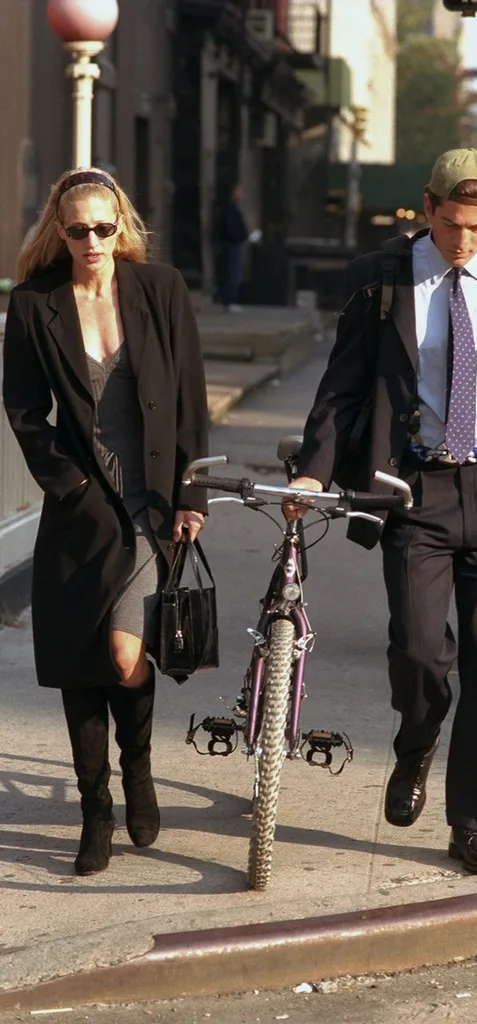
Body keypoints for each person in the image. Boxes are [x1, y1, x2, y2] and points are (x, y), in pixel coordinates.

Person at [285, 149, 477, 874]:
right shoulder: (383, 277)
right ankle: (417, 742)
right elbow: (343, 383)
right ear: (426, 207)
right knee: (418, 651)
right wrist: (314, 472)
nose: (463, 242)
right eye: (451, 226)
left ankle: (472, 823)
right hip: (413, 488)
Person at [2, 168, 210, 876]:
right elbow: (25, 412)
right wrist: (68, 484)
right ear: (59, 233)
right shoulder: (37, 305)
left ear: (122, 225)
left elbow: (189, 399)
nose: (92, 240)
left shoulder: (160, 290)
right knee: (77, 665)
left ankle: (139, 769)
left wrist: (192, 494)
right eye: (78, 229)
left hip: (150, 505)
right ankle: (97, 809)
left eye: (103, 226)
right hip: (80, 508)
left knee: (124, 656)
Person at [218, 183, 249, 312]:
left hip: (237, 244)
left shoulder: (235, 208)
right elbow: (230, 228)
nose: (241, 194)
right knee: (231, 273)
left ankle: (232, 299)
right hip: (232, 245)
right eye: (238, 191)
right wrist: (239, 237)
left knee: (236, 273)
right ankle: (229, 301)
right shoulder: (229, 208)